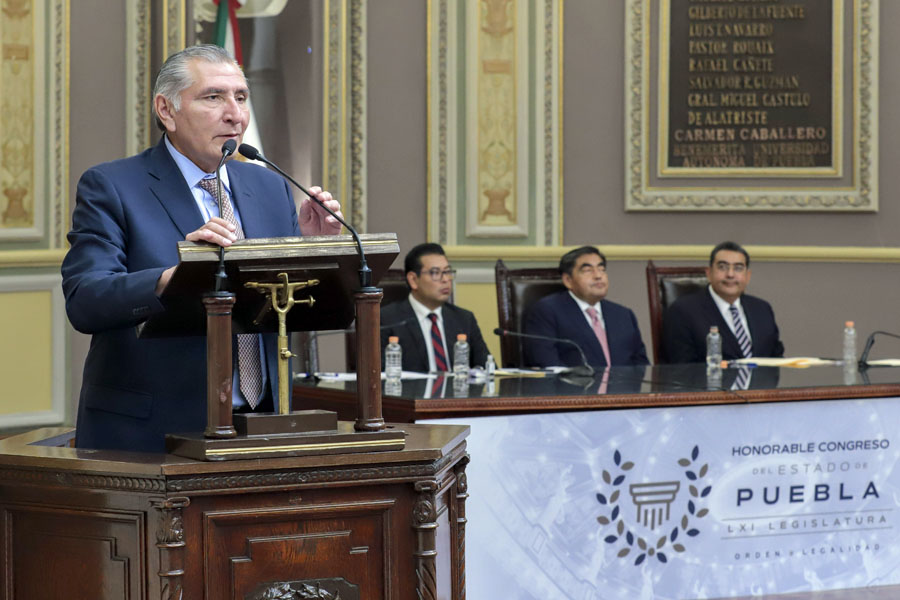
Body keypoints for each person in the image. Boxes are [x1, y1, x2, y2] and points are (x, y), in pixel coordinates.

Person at [61, 45, 343, 452]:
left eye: (241, 97)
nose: (235, 114)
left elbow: (281, 309)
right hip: (152, 433)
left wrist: (313, 254)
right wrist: (172, 278)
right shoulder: (113, 186)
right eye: (214, 97)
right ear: (166, 110)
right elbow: (85, 300)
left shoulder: (269, 186)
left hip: (263, 423)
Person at [524, 246, 649, 368]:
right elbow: (547, 364)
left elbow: (641, 364)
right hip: (574, 388)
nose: (598, 276)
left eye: (602, 269)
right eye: (588, 270)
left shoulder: (623, 315)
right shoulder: (547, 311)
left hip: (625, 388)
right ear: (568, 280)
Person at [663, 241, 784, 364]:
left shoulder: (762, 309)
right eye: (722, 267)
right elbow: (682, 369)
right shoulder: (683, 311)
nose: (730, 274)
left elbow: (777, 360)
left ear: (747, 276)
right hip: (709, 382)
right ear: (709, 273)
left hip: (763, 383)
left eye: (738, 268)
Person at [380, 243, 490, 372]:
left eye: (448, 272)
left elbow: (487, 368)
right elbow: (377, 376)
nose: (446, 280)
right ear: (413, 280)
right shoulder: (387, 320)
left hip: (456, 391)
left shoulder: (464, 319)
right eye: (435, 272)